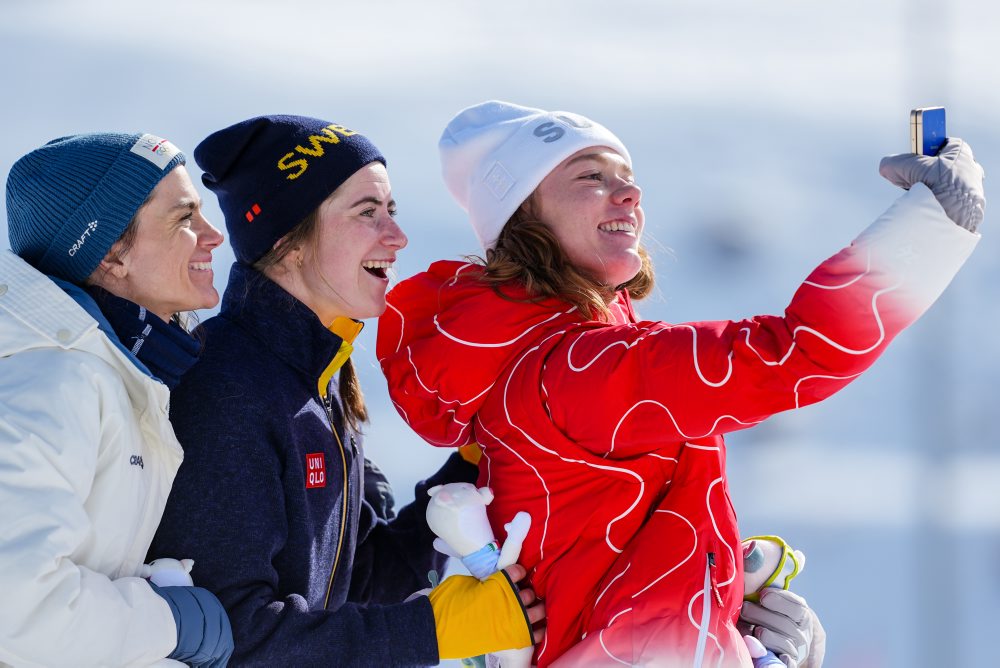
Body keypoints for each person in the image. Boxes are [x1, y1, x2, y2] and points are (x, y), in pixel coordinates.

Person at [376, 101, 984, 666]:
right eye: (591, 177)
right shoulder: (581, 371)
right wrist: (934, 225)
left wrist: (727, 621)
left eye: (627, 175)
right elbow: (793, 353)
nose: (630, 192)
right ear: (523, 220)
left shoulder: (559, 363)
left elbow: (614, 564)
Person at [149, 115, 543, 667]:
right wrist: (432, 630)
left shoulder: (314, 380)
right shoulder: (227, 390)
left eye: (392, 212)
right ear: (289, 243)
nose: (397, 236)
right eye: (367, 213)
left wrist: (478, 460)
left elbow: (356, 576)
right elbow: (233, 635)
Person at [0, 132, 234, 666]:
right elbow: (18, 609)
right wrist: (170, 624)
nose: (213, 234)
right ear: (111, 253)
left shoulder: (116, 376)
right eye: (184, 219)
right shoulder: (56, 379)